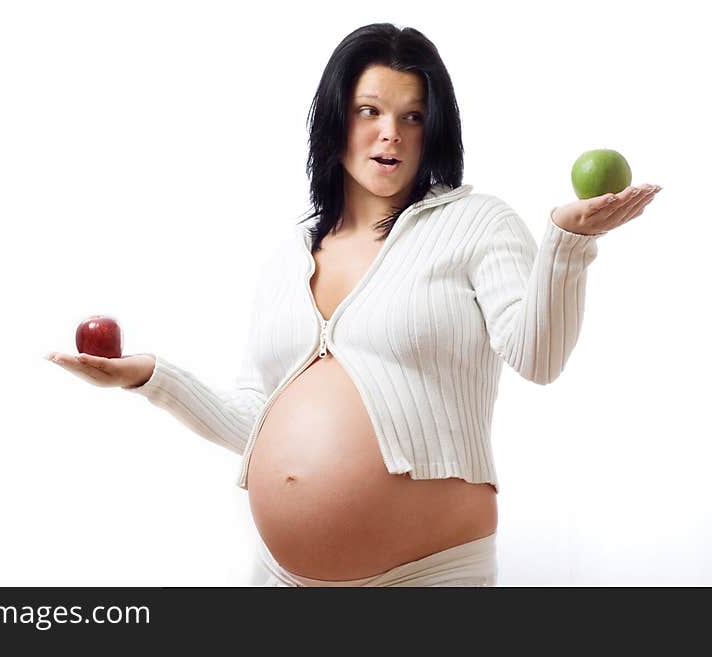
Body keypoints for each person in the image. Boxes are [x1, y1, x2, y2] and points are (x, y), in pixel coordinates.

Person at [45, 23, 661, 587]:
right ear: (336, 121)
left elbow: (540, 356)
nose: (391, 132)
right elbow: (255, 423)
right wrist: (152, 377)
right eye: (369, 110)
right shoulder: (287, 256)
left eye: (413, 116)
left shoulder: (476, 222)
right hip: (281, 580)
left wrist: (570, 242)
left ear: (435, 129)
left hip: (429, 578)